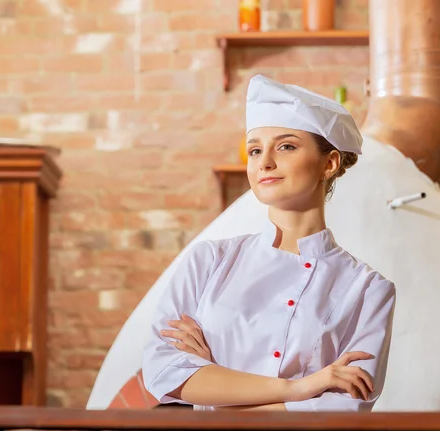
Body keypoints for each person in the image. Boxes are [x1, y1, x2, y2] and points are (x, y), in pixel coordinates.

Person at [141, 74, 396, 412]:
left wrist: (213, 384)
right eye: (255, 149)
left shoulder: (368, 290)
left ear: (330, 163)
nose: (265, 162)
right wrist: (303, 387)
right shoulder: (208, 261)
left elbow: (341, 411)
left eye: (286, 146)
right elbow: (162, 373)